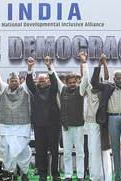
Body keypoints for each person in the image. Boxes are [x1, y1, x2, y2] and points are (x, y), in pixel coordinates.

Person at [91, 56, 121, 181]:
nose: (120, 80)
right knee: (115, 149)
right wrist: (99, 66)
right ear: (114, 79)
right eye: (118, 78)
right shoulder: (108, 87)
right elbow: (94, 83)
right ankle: (118, 177)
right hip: (112, 119)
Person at [53, 52, 88, 181]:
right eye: (70, 82)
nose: (73, 84)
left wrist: (84, 63)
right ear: (66, 83)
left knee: (80, 153)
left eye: (74, 82)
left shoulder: (80, 89)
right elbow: (55, 79)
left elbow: (86, 78)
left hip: (78, 126)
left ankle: (80, 176)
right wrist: (50, 67)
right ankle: (68, 175)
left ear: (77, 82)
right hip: (66, 126)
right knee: (67, 152)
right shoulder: (62, 90)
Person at [26, 56, 61, 181]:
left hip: (53, 124)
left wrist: (49, 67)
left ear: (47, 81)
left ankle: (55, 174)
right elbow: (29, 82)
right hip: (39, 125)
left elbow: (55, 80)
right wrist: (30, 67)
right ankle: (43, 174)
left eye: (43, 81)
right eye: (39, 81)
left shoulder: (52, 89)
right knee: (40, 151)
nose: (41, 83)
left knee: (54, 151)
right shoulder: (35, 90)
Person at [0, 68, 32, 181]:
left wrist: (30, 67)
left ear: (19, 81)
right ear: (8, 82)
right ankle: (12, 172)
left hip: (21, 126)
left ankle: (24, 172)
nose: (14, 82)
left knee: (22, 150)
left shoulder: (24, 89)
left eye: (15, 80)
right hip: (5, 126)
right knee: (5, 150)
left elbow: (30, 79)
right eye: (11, 81)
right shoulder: (3, 89)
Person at [83, 53, 112, 181]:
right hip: (91, 122)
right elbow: (86, 76)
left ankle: (106, 177)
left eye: (99, 79)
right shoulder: (89, 88)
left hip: (103, 122)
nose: (98, 81)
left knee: (104, 150)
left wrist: (103, 63)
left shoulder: (104, 89)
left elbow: (107, 76)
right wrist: (84, 62)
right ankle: (95, 177)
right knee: (92, 150)